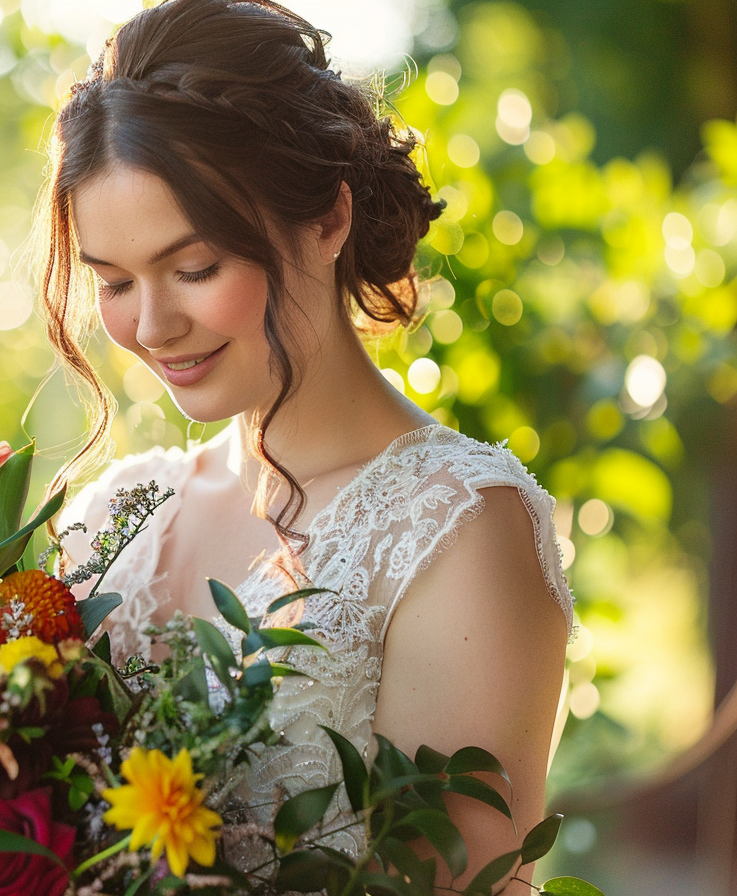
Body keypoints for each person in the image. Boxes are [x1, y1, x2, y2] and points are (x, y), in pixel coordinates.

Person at [35, 0, 574, 892]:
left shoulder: (457, 530)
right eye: (116, 282)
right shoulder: (109, 522)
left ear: (327, 221)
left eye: (196, 269)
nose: (154, 325)